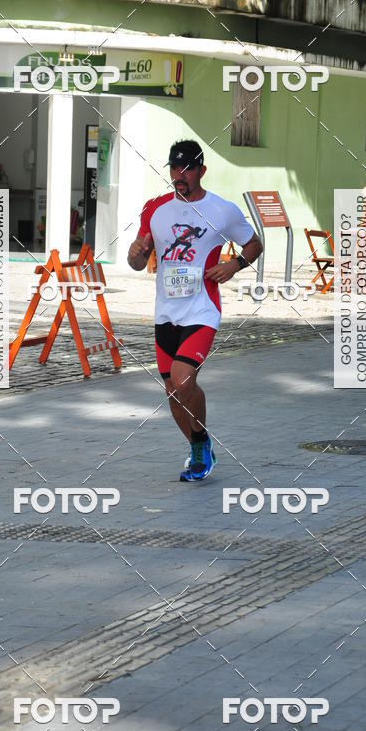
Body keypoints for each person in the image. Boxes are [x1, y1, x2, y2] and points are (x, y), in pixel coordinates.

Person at [127, 139, 263, 481]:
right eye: (175, 168)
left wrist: (235, 264)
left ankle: (200, 441)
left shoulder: (222, 210)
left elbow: (254, 242)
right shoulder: (155, 208)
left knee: (183, 380)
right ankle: (199, 447)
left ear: (202, 170)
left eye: (187, 168)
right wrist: (135, 254)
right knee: (173, 393)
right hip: (165, 313)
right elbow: (138, 259)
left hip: (202, 310)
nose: (180, 175)